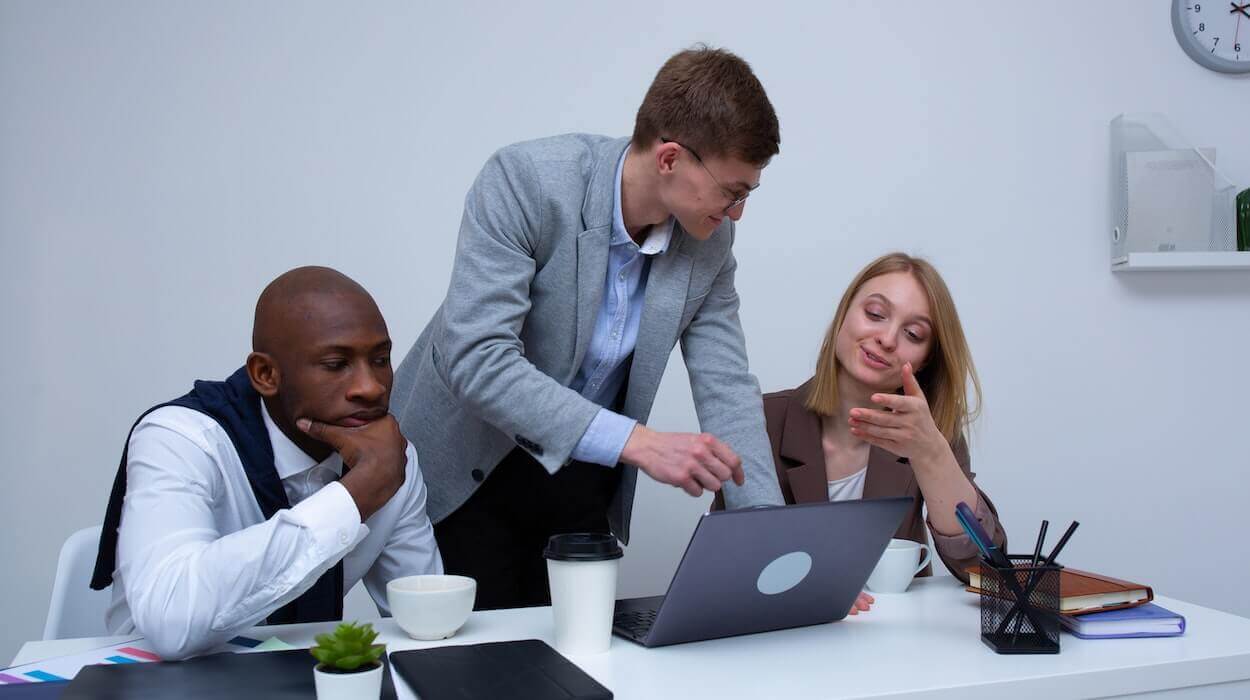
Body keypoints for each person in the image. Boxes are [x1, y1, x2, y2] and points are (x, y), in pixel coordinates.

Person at [390, 45, 786, 609]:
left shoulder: (711, 241)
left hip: (581, 474)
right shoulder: (526, 181)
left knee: (581, 652)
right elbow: (476, 359)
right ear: (670, 159)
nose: (738, 212)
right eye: (732, 191)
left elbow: (727, 388)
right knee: (472, 655)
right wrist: (639, 442)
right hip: (466, 468)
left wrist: (772, 544)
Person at [90, 266, 442, 659]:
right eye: (335, 364)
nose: (371, 387)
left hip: (306, 678)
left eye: (380, 359)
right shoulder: (181, 439)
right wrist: (354, 497)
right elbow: (172, 622)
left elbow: (426, 617)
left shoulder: (389, 458)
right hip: (153, 676)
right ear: (265, 374)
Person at [716, 252, 1007, 614]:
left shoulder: (930, 432)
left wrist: (931, 453)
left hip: (891, 638)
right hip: (781, 634)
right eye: (875, 314)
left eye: (913, 334)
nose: (886, 338)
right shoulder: (759, 420)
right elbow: (723, 562)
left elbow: (983, 570)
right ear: (844, 315)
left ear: (926, 359)